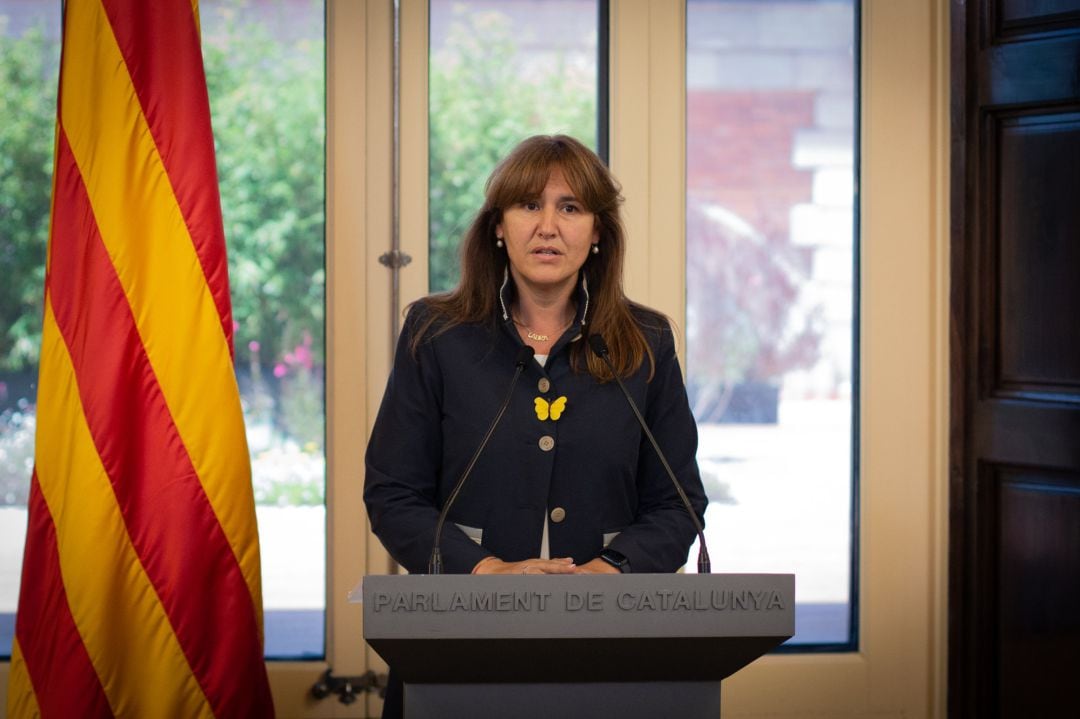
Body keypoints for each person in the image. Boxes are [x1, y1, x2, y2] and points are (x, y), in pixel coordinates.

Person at [363, 135, 707, 716]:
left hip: (610, 647)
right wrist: (484, 570)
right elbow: (394, 494)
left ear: (597, 231)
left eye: (570, 208)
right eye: (528, 205)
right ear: (498, 225)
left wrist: (610, 571)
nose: (548, 226)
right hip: (459, 642)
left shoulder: (646, 342)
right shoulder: (436, 334)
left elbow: (679, 503)